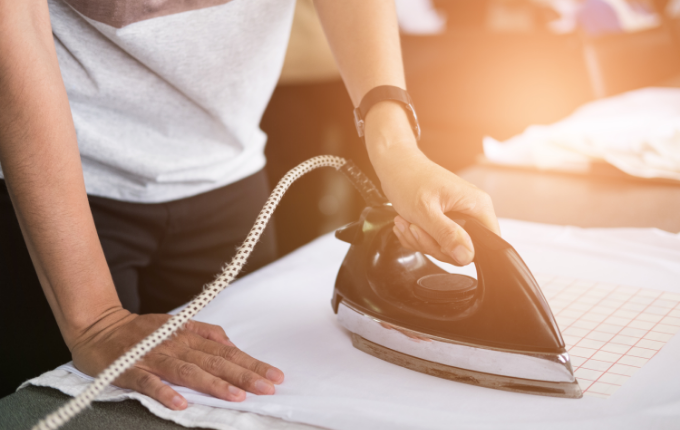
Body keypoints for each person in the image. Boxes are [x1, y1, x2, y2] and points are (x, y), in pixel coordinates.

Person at [0, 0, 499, 408]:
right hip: (61, 190)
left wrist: (397, 151)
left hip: (231, 177)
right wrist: (95, 320)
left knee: (245, 402)